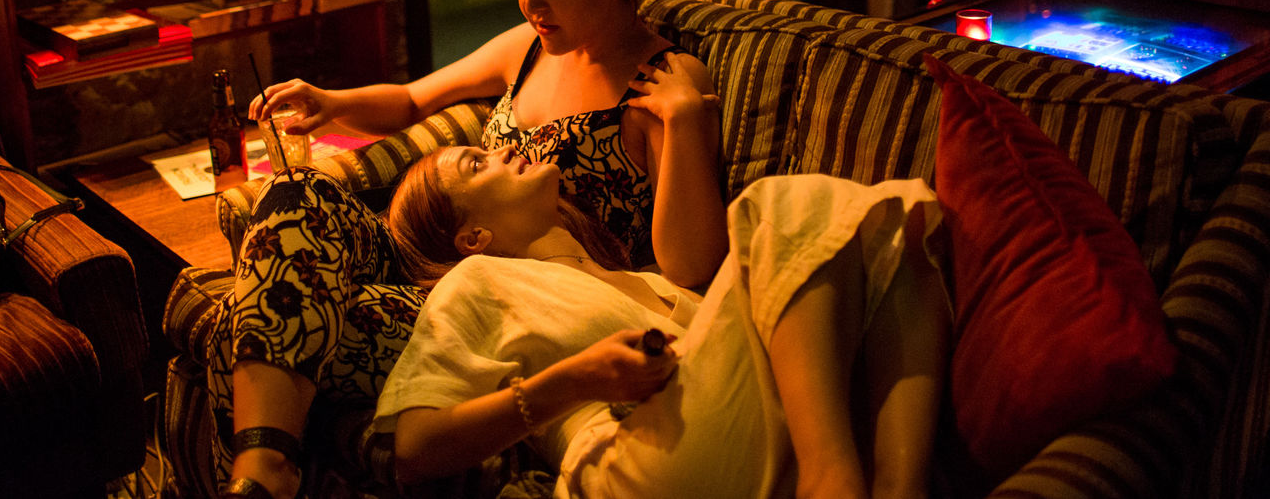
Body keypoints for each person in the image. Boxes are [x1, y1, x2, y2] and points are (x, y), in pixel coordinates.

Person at [210, 0, 726, 499]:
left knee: (256, 317)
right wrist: (332, 102)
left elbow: (690, 267)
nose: (531, 4)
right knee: (299, 193)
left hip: (521, 309)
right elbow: (412, 100)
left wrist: (684, 121)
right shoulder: (529, 50)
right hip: (442, 259)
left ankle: (263, 468)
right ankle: (266, 466)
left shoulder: (662, 83)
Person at [376, 145, 950, 499]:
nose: (502, 149)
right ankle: (833, 484)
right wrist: (576, 380)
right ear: (472, 237)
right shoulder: (476, 283)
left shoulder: (649, 281)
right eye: (478, 163)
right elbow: (413, 450)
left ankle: (901, 488)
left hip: (738, 427)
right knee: (775, 207)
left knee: (898, 223)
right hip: (628, 458)